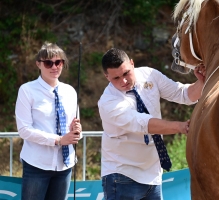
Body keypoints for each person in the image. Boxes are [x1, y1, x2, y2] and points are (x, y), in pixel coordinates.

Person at [98, 48, 204, 200]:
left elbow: (182, 94)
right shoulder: (108, 102)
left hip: (153, 174)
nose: (124, 81)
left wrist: (201, 81)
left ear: (132, 64)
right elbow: (144, 124)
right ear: (106, 76)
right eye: (116, 78)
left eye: (126, 73)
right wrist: (180, 127)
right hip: (122, 175)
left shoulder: (150, 74)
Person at [15, 41, 82, 200]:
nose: (54, 67)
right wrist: (58, 140)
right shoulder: (27, 90)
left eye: (58, 62)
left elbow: (75, 126)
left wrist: (77, 133)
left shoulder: (70, 91)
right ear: (38, 64)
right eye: (48, 63)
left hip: (65, 165)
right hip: (37, 164)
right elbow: (24, 129)